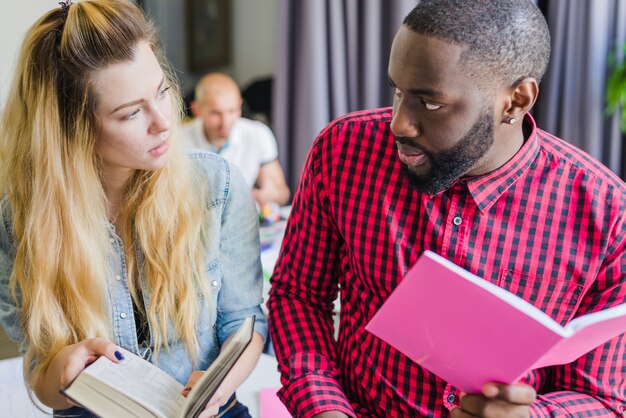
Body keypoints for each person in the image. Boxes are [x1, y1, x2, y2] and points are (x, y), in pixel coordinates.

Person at [267, 0, 626, 417]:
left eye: (430, 103)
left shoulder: (608, 215)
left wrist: (532, 416)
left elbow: (602, 397)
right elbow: (298, 294)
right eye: (398, 92)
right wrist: (323, 406)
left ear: (516, 101)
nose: (400, 124)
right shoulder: (344, 151)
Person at [0, 1, 267, 417]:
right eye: (130, 113)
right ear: (72, 131)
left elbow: (247, 325)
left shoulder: (218, 186)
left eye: (161, 91)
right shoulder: (19, 223)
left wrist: (219, 383)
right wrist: (62, 374)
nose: (164, 121)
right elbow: (41, 374)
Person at [182, 72, 290, 207]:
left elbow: (282, 193)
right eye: (216, 113)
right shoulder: (177, 141)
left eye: (232, 111)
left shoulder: (258, 134)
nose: (225, 122)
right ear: (197, 109)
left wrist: (267, 194)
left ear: (240, 105)